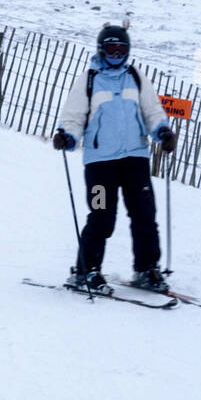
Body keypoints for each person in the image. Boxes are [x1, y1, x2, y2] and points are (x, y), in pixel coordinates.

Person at [53, 24, 176, 290]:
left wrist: (162, 131)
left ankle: (147, 269)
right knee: (101, 215)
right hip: (100, 163)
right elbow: (74, 116)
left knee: (144, 214)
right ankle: (86, 271)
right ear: (101, 49)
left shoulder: (135, 76)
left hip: (135, 159)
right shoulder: (88, 79)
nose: (117, 53)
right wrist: (68, 135)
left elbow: (152, 111)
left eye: (121, 49)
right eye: (111, 48)